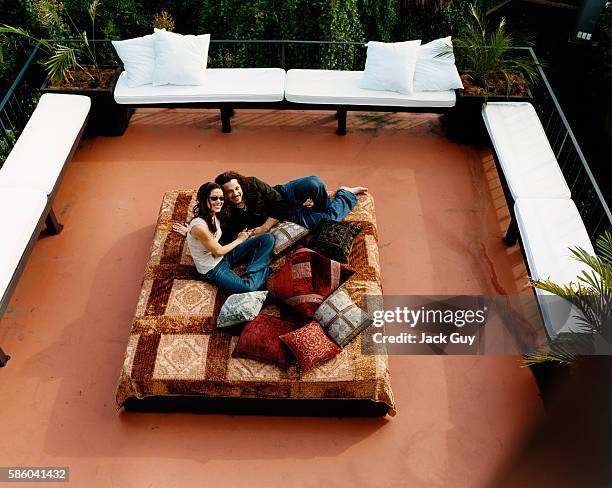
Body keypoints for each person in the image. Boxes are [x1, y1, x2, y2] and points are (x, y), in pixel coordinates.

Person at [174, 182, 274, 294]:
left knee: (267, 239)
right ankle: (265, 271)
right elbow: (218, 251)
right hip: (212, 268)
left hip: (226, 256)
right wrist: (240, 239)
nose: (219, 202)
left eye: (221, 198)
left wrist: (246, 234)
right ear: (203, 200)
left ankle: (253, 270)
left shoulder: (215, 214)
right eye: (214, 198)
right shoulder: (199, 227)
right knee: (247, 288)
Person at [213, 171, 368, 240]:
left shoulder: (252, 183)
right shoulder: (226, 213)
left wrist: (265, 227)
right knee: (328, 220)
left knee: (315, 183)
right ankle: (345, 193)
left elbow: (278, 202)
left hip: (283, 194)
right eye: (229, 192)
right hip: (286, 216)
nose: (235, 193)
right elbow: (219, 232)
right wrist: (191, 229)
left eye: (237, 188)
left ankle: (322, 210)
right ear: (223, 195)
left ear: (241, 185)